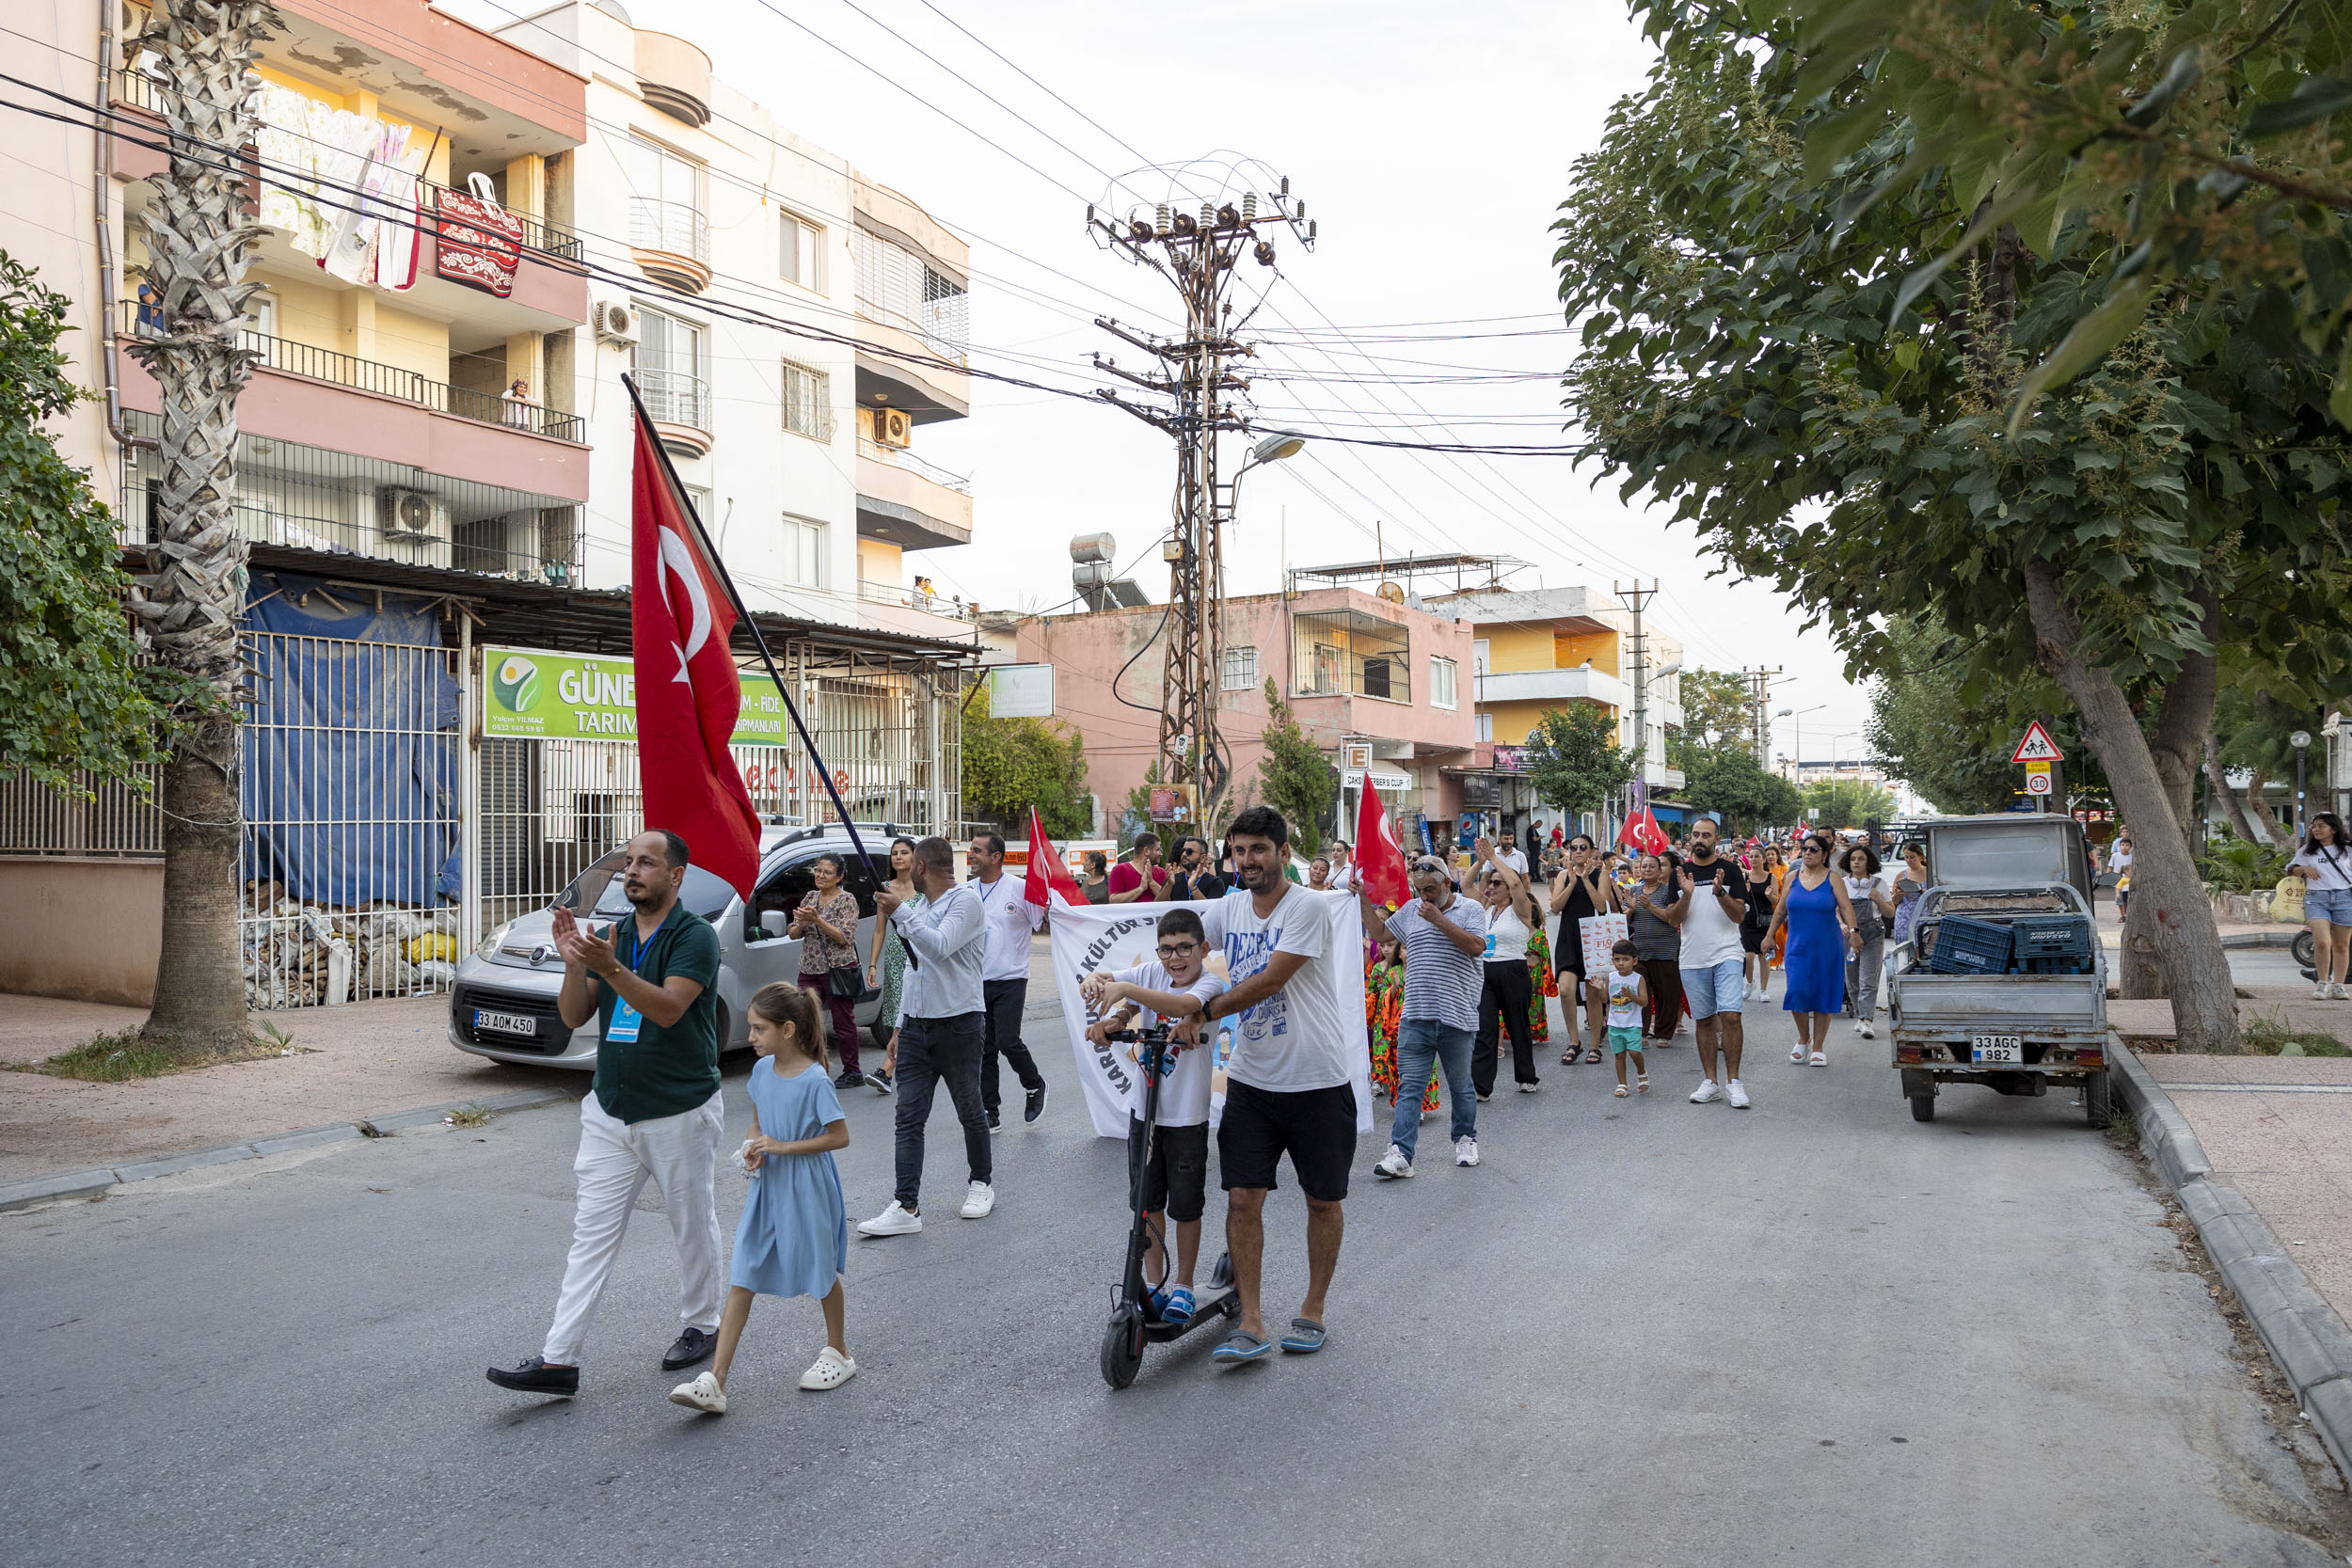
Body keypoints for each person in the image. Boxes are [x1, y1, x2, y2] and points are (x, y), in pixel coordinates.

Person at [487, 830, 725, 1398]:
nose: (632, 872)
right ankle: (558, 1359)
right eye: (628, 863)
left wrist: (611, 967)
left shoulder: (696, 938)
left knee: (690, 1223)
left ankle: (704, 1323)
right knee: (589, 1236)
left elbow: (668, 1010)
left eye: (647, 863)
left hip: (678, 1110)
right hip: (610, 1109)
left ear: (677, 876)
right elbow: (572, 1017)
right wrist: (576, 965)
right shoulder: (610, 937)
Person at [1178, 805, 1358, 1363]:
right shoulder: (1228, 908)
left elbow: (1269, 980)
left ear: (1283, 853)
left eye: (1260, 849)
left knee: (1322, 1203)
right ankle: (1251, 1320)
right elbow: (1178, 950)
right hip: (1252, 1083)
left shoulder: (1307, 907)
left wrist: (1200, 1013)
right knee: (1240, 1199)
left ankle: (1312, 1309)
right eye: (1240, 850)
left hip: (1318, 1080)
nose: (1248, 860)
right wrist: (1123, 992)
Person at [666, 984, 852, 1414]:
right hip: (768, 1189)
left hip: (808, 1187)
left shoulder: (816, 1079)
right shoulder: (761, 1073)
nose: (750, 1036)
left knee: (820, 1270)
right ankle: (716, 1379)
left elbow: (840, 1137)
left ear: (787, 1029)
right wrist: (752, 1148)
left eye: (758, 1028)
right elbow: (757, 1124)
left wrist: (781, 1146)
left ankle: (839, 1350)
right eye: (751, 1027)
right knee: (743, 1272)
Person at [1080, 908, 1230, 1326]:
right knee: (1146, 1203)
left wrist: (1126, 988)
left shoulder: (1208, 983)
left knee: (1185, 1204)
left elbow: (1180, 1004)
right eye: (1165, 950)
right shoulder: (1151, 973)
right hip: (1144, 1113)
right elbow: (1112, 985)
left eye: (1184, 948)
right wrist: (1109, 1003)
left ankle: (1183, 1283)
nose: (1175, 958)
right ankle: (1154, 1282)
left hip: (1186, 1116)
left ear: (1202, 948)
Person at [858, 836, 993, 1236]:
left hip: (959, 1023)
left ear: (920, 868)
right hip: (917, 1027)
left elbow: (937, 948)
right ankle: (906, 1204)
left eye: (909, 863)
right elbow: (916, 972)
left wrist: (900, 911)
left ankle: (981, 1183)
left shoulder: (966, 902)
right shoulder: (920, 907)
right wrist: (899, 1028)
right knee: (908, 1119)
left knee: (970, 1109)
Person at [1363, 853, 1488, 1179]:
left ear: (1448, 883)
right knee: (1410, 1087)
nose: (1424, 896)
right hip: (1416, 1013)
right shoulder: (1410, 910)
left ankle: (1464, 1139)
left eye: (1431, 889)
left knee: (1460, 1085)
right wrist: (1362, 897)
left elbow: (1476, 947)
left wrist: (1438, 920)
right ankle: (1401, 1154)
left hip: (1457, 1013)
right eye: (1419, 890)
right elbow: (1379, 934)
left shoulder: (1471, 909)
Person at [1661, 816, 1753, 1109]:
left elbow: (1739, 915)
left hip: (1727, 953)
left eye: (1706, 835)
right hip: (1692, 958)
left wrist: (1720, 892)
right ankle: (1710, 1081)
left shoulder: (1730, 871)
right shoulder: (1680, 873)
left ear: (1716, 839)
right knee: (1703, 1020)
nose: (1699, 839)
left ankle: (1734, 1082)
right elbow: (1673, 919)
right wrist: (1687, 895)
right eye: (1696, 835)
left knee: (1731, 1017)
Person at [967, 832, 1049, 1132]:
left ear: (995, 857)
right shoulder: (967, 891)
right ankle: (990, 1111)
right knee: (984, 1048)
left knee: (1006, 1040)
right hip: (977, 981)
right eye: (971, 850)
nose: (971, 855)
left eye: (977, 850)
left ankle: (1034, 1084)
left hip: (1011, 978)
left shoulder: (1020, 888)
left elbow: (1045, 920)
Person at [1765, 833, 1861, 1068]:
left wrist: (1855, 931)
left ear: (1825, 854)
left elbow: (1846, 907)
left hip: (1827, 946)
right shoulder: (1792, 877)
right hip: (1797, 946)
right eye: (1804, 848)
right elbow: (1780, 911)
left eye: (1814, 849)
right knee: (1797, 991)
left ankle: (1818, 1047)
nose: (1807, 853)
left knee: (1823, 994)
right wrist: (1769, 935)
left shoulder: (1833, 879)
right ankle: (1803, 1038)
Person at [789, 851, 866, 1088]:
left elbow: (845, 937)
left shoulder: (847, 900)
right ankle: (808, 1068)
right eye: (818, 871)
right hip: (809, 967)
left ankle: (852, 1071)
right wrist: (803, 921)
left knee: (843, 1023)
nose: (821, 875)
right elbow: (792, 933)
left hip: (838, 968)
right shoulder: (810, 897)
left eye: (827, 872)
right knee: (803, 1018)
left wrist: (818, 920)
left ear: (839, 876)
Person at [1470, 838, 1539, 1097]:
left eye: (1497, 883)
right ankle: (1481, 1086)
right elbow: (1466, 886)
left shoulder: (1521, 908)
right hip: (1486, 972)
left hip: (1513, 970)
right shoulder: (1487, 909)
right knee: (1485, 1028)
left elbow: (1515, 882)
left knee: (1517, 1025)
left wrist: (1494, 858)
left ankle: (1526, 1076)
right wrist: (1482, 862)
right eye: (1491, 883)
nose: (1492, 887)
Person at [1548, 834, 1618, 1065]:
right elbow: (1556, 907)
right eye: (1573, 847)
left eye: (1582, 848)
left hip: (1593, 939)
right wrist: (1573, 882)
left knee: (1593, 993)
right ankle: (1574, 1041)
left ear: (1590, 852)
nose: (1577, 851)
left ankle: (1595, 1045)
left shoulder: (1602, 875)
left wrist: (1586, 880)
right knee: (1566, 989)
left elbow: (1601, 904)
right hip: (1569, 938)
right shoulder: (1562, 875)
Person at [863, 836, 917, 1093]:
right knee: (900, 1010)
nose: (898, 857)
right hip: (895, 960)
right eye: (895, 853)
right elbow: (879, 930)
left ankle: (887, 1068)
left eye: (904, 852)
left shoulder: (924, 887)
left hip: (920, 956)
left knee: (910, 1010)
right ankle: (892, 1067)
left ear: (914, 857)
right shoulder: (884, 887)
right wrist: (872, 965)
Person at [1625, 851, 1686, 1048]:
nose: (1648, 869)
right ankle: (1641, 1032)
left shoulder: (1668, 891)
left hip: (1666, 951)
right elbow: (1624, 923)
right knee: (1640, 992)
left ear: (1660, 871)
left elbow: (1672, 918)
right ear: (1639, 870)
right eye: (1644, 866)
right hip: (1639, 952)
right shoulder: (1633, 891)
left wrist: (1650, 906)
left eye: (1652, 866)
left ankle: (1664, 1034)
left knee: (1667, 994)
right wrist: (1631, 909)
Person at [1365, 938, 1432, 1114]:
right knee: (1397, 1062)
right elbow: (1384, 999)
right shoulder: (1392, 971)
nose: (1408, 953)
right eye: (1404, 949)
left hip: (1418, 1020)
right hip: (1395, 1024)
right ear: (1399, 954)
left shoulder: (1422, 971)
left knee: (1419, 1062)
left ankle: (1419, 1107)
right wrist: (1394, 987)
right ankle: (1397, 1098)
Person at [2289, 813, 2352, 999]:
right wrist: (2303, 869)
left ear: (2333, 829)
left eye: (2321, 826)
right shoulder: (2308, 850)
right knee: (2322, 942)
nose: (2316, 829)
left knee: (2341, 945)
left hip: (2344, 897)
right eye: (2314, 826)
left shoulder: (2347, 849)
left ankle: (2339, 985)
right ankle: (2322, 982)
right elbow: (2291, 869)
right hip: (2316, 898)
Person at [1840, 844, 1893, 1038]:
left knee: (1868, 979)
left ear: (1868, 862)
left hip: (1872, 934)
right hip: (1848, 935)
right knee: (1852, 980)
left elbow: (1889, 912)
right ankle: (1860, 1015)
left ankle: (1867, 1019)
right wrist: (1841, 924)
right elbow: (1835, 909)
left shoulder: (1879, 884)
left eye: (1860, 859)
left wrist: (1879, 899)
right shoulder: (1842, 884)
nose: (1856, 862)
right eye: (1853, 859)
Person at [1603, 940, 1649, 1098]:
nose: (1621, 963)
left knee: (1634, 1053)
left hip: (1632, 1024)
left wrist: (1631, 995)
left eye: (1625, 959)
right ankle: (1622, 1084)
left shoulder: (1638, 979)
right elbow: (1606, 998)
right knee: (1619, 1055)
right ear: (1613, 960)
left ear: (1634, 961)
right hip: (1615, 1024)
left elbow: (1644, 1002)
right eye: (1617, 959)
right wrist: (1598, 990)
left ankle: (1641, 1072)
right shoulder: (1611, 977)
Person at [1740, 850, 1777, 1001]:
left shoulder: (1771, 877)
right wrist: (1745, 892)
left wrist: (1769, 895)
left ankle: (1764, 990)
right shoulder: (1744, 877)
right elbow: (1738, 899)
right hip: (1747, 920)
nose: (1753, 859)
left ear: (1763, 859)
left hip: (1765, 920)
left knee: (1764, 956)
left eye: (1757, 856)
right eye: (1751, 857)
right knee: (1748, 956)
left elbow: (1776, 901)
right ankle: (1749, 983)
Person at [1890, 842, 1930, 949]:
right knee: (1906, 948)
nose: (1909, 860)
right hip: (1904, 916)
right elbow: (1894, 900)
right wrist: (1899, 895)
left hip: (1924, 914)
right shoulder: (1901, 875)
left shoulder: (1929, 872)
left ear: (1921, 857)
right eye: (1906, 857)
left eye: (1912, 857)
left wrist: (1923, 890)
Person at [1109, 833, 1168, 903]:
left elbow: (1168, 901)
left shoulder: (1161, 873)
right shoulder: (1120, 870)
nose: (1160, 854)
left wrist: (1151, 882)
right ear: (1146, 850)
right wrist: (1141, 888)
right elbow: (1113, 901)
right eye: (1158, 850)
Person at [1168, 836, 1227, 900]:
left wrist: (1193, 888)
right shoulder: (1173, 879)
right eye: (1183, 850)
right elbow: (1158, 905)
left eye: (1189, 851)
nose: (1184, 854)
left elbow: (1213, 908)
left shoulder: (1215, 882)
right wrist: (1168, 885)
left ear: (1203, 858)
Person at [2110, 833, 2135, 917]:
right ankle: (2123, 915)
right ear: (2119, 846)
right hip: (2118, 879)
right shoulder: (2115, 856)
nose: (2124, 847)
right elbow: (2110, 867)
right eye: (2122, 845)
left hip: (2129, 880)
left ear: (2131, 847)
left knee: (2130, 898)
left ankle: (2130, 914)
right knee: (2119, 898)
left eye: (2127, 845)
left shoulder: (2132, 856)